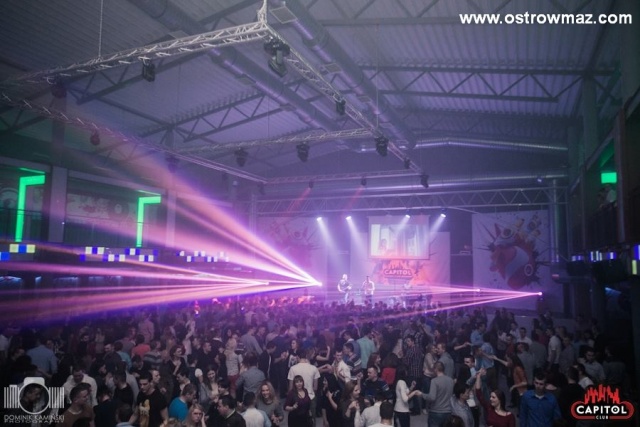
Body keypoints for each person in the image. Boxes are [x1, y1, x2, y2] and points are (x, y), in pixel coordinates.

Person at [424, 362, 454, 427]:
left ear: (436, 369)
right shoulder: (451, 380)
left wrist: (422, 395)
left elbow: (432, 397)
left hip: (436, 411)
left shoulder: (434, 381)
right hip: (448, 411)